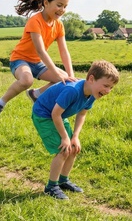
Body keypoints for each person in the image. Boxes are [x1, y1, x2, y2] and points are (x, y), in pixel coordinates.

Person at [0, 0, 76, 124]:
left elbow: (64, 51)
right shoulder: (35, 21)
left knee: (65, 78)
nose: (62, 10)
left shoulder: (59, 24)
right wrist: (56, 72)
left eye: (65, 6)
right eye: (59, 5)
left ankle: (36, 94)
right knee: (27, 80)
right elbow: (40, 50)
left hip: (37, 63)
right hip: (19, 60)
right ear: (46, 3)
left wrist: (70, 75)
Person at [32, 60, 119, 200]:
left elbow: (82, 114)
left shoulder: (92, 94)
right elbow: (55, 114)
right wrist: (65, 137)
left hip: (59, 115)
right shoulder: (72, 90)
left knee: (73, 147)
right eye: (106, 86)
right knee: (64, 149)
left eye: (111, 88)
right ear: (91, 79)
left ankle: (63, 180)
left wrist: (75, 137)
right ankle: (51, 187)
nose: (108, 91)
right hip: (44, 115)